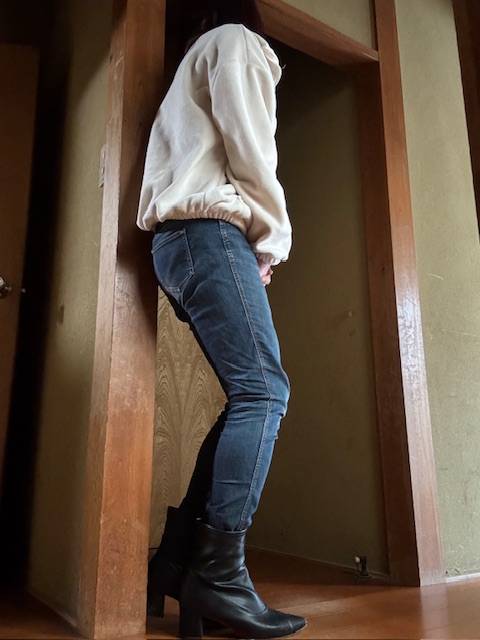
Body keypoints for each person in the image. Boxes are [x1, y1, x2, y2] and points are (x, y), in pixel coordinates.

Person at [137, 1, 306, 637]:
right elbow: (253, 150)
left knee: (248, 394)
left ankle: (177, 561)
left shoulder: (193, 60)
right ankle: (217, 576)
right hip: (208, 233)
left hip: (181, 241)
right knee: (264, 392)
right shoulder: (238, 42)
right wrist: (272, 239)